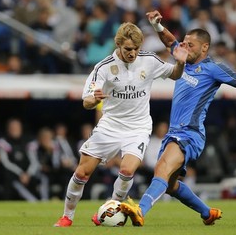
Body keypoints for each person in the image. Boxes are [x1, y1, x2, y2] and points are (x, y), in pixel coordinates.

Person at [120, 10, 236, 227]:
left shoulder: (213, 69)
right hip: (175, 131)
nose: (184, 47)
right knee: (171, 185)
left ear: (205, 47)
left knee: (162, 169)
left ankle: (140, 210)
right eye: (184, 43)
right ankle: (207, 213)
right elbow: (170, 41)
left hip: (190, 132)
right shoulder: (182, 58)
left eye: (190, 44)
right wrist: (157, 26)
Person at [54, 21, 188, 227]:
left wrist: (180, 62)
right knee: (82, 173)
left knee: (127, 171)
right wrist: (95, 100)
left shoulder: (149, 61)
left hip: (138, 127)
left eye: (136, 49)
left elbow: (175, 75)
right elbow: (87, 101)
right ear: (118, 45)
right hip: (110, 126)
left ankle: (110, 209)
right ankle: (67, 217)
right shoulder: (103, 67)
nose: (132, 53)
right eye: (128, 49)